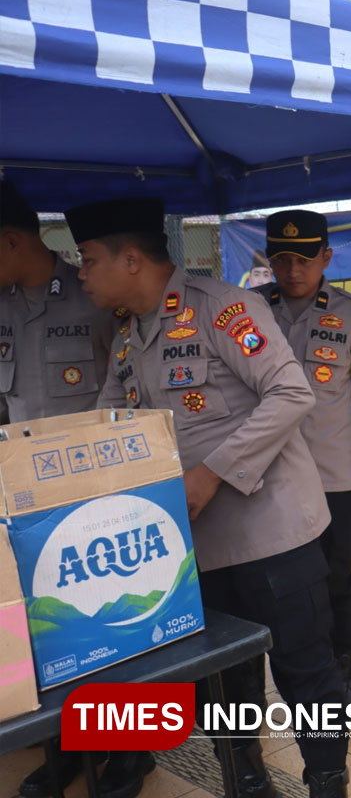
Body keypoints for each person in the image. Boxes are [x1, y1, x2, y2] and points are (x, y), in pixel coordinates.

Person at [70, 197, 351, 798]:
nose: (81, 274)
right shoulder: (129, 338)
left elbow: (291, 393)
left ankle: (327, 779)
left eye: (89, 260)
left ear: (132, 259)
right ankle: (246, 778)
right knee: (229, 679)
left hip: (274, 534)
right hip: (196, 548)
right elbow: (106, 425)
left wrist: (211, 473)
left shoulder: (224, 310)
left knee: (306, 672)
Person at [0, 182, 145, 798]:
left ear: (9, 240)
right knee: (46, 634)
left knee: (115, 628)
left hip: (97, 502)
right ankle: (68, 748)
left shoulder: (96, 298)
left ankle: (134, 753)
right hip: (18, 503)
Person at [254, 209, 351, 703]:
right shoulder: (247, 311)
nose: (293, 270)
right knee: (269, 581)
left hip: (330, 480)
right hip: (261, 480)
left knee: (336, 578)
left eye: (305, 259)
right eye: (282, 259)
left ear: (327, 257)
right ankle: (287, 671)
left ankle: (343, 674)